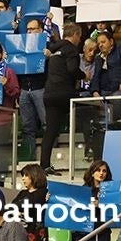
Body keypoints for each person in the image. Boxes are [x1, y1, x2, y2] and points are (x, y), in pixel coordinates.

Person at [41, 24, 84, 175]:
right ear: (75, 35)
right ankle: (89, 151)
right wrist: (85, 76)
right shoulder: (71, 49)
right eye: (79, 36)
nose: (79, 40)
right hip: (64, 93)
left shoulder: (52, 49)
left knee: (50, 132)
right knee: (88, 111)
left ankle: (44, 165)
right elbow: (72, 70)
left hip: (49, 93)